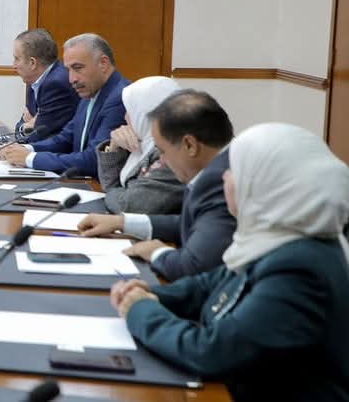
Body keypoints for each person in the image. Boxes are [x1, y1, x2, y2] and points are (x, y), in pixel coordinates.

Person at [111, 123, 349, 401]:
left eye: (236, 170)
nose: (225, 176)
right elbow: (211, 285)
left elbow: (212, 352)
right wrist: (150, 294)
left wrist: (142, 311)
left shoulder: (300, 268)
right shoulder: (277, 236)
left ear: (268, 185)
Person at [79, 90, 236, 281]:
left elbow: (194, 265)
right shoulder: (219, 166)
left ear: (190, 145)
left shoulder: (220, 181)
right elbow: (190, 223)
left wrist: (156, 252)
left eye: (162, 151)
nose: (161, 160)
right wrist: (122, 223)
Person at [0, 33, 129, 176]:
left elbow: (94, 160)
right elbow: (66, 138)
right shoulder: (90, 90)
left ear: (103, 63)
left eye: (78, 68)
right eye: (69, 70)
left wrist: (30, 159)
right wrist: (26, 149)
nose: (72, 79)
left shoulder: (119, 98)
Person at [96, 76, 185, 214]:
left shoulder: (170, 154)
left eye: (130, 110)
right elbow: (110, 185)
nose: (125, 117)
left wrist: (113, 192)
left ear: (145, 113)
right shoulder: (143, 143)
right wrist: (113, 146)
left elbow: (128, 206)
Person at [10, 28, 78, 143]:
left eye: (17, 59)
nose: (14, 66)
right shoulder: (35, 80)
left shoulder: (56, 84)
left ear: (32, 63)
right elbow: (21, 127)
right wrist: (27, 126)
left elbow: (39, 137)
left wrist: (29, 126)